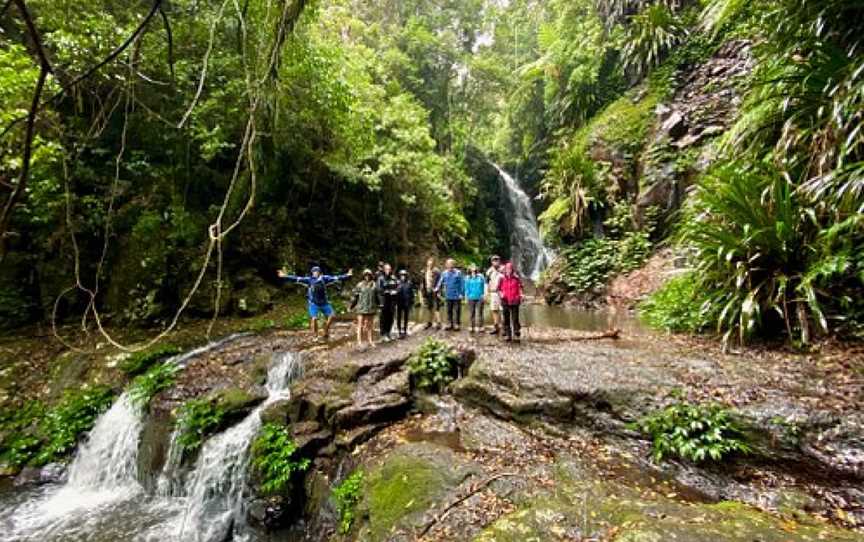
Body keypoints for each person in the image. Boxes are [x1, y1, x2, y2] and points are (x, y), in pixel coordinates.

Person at [278, 265, 352, 341]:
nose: (315, 273)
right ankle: (315, 335)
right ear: (312, 273)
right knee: (314, 319)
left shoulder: (325, 279)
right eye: (314, 272)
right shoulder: (309, 280)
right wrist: (284, 276)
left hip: (324, 303)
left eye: (317, 271)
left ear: (319, 272)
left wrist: (347, 275)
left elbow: (337, 278)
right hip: (314, 303)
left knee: (332, 316)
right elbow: (296, 278)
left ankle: (325, 330)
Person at [350, 269, 379, 349]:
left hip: (371, 308)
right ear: (363, 276)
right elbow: (355, 297)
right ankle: (359, 342)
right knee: (360, 325)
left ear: (371, 276)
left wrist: (380, 305)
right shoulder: (359, 285)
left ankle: (370, 341)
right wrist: (351, 306)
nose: (367, 276)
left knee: (370, 325)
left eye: (368, 275)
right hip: (361, 308)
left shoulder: (374, 285)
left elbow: (377, 297)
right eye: (365, 275)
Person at [435, 258, 465, 331]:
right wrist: (437, 288)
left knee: (457, 310)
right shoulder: (444, 273)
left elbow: (462, 284)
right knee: (449, 310)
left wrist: (462, 293)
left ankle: (457, 324)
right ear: (446, 265)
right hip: (448, 295)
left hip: (457, 295)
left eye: (451, 264)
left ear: (454, 265)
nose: (450, 265)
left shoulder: (458, 273)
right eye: (448, 264)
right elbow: (440, 282)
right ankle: (449, 324)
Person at [499, 261, 523, 342]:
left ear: (512, 269)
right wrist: (501, 294)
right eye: (507, 269)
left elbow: (520, 287)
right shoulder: (502, 278)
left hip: (515, 300)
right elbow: (498, 289)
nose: (508, 270)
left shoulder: (516, 278)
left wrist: (520, 295)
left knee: (515, 318)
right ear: (505, 270)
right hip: (505, 300)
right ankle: (508, 334)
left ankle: (516, 333)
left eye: (510, 269)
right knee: (506, 318)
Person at [376, 263, 399, 341]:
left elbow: (398, 287)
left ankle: (388, 333)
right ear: (383, 270)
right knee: (383, 318)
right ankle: (383, 334)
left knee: (391, 317)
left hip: (392, 301)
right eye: (386, 269)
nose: (388, 271)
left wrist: (395, 292)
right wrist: (380, 302)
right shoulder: (380, 278)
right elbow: (379, 290)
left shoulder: (394, 278)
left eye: (389, 269)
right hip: (384, 301)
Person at [420, 257, 442, 330]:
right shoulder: (425, 271)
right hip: (427, 291)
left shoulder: (437, 271)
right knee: (429, 307)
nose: (430, 263)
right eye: (429, 262)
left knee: (436, 307)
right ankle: (429, 322)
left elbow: (440, 282)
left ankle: (438, 323)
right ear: (427, 262)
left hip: (435, 292)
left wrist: (439, 291)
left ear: (433, 263)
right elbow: (423, 282)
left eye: (431, 262)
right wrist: (422, 292)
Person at [465, 264, 486, 333]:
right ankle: (471, 326)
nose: (473, 269)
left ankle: (481, 326)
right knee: (472, 312)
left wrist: (484, 295)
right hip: (471, 297)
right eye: (472, 267)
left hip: (480, 297)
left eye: (474, 267)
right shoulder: (467, 278)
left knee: (480, 312)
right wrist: (466, 297)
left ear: (476, 269)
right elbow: (466, 288)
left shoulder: (481, 276)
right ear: (470, 269)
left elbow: (484, 285)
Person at [485, 255, 503, 335]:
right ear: (491, 262)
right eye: (494, 260)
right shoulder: (489, 271)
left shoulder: (504, 269)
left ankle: (505, 328)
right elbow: (486, 282)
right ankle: (496, 327)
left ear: (499, 261)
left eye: (497, 260)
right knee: (494, 310)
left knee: (503, 310)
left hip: (502, 293)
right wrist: (486, 293)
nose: (495, 262)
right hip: (493, 293)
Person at [395, 269, 416, 339]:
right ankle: (399, 331)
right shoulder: (397, 283)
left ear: (406, 276)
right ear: (399, 276)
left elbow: (412, 294)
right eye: (401, 275)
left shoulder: (409, 283)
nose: (403, 277)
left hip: (406, 303)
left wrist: (412, 303)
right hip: (399, 303)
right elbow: (394, 294)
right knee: (399, 317)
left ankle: (405, 330)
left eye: (404, 275)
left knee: (406, 317)